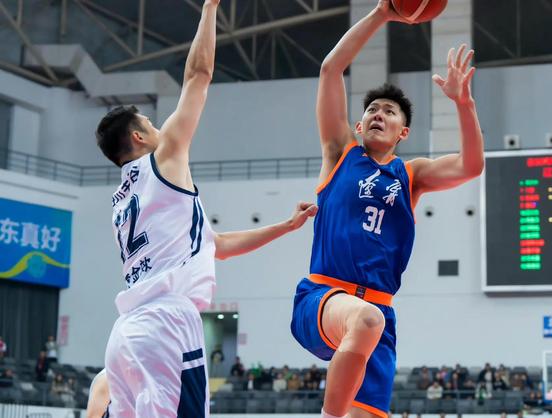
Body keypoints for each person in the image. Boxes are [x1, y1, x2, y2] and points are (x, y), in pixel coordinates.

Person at [96, 1, 317, 416]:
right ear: (139, 137)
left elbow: (219, 245)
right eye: (151, 124)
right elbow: (198, 75)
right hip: (167, 322)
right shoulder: (164, 158)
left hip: (125, 334)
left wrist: (286, 226)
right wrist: (211, 7)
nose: (161, 128)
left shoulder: (121, 200)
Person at [289, 1, 484, 418]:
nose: (379, 114)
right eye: (372, 110)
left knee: (371, 324)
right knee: (366, 321)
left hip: (379, 311)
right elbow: (330, 70)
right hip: (324, 296)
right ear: (359, 126)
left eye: (389, 111)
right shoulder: (340, 154)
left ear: (403, 132)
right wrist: (382, 12)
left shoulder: (411, 175)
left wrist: (463, 105)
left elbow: (471, 166)